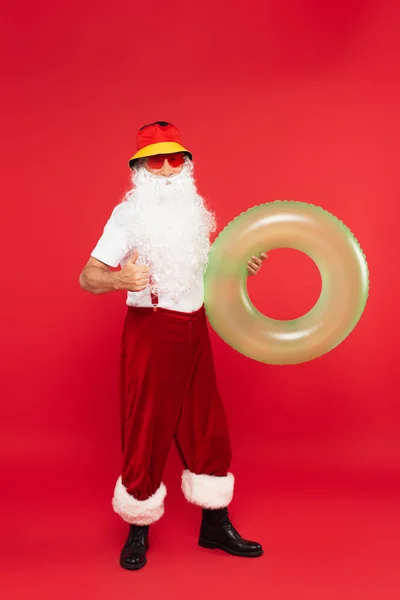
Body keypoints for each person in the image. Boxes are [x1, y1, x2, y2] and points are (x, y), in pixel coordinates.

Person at [79, 121, 267, 571]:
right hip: (152, 328)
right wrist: (118, 278)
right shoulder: (128, 216)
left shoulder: (194, 212)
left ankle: (214, 524)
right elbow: (87, 277)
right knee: (147, 426)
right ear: (140, 167)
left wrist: (242, 265)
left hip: (194, 327)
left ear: (186, 165)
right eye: (156, 160)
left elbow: (202, 273)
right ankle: (137, 527)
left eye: (175, 159)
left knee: (207, 423)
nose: (166, 169)